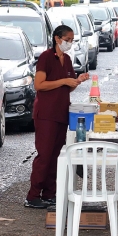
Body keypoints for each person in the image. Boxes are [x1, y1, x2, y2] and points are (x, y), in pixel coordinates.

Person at [25, 25, 90, 209]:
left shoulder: (68, 59)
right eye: (67, 39)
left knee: (55, 155)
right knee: (44, 155)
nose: (69, 43)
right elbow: (39, 85)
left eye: (72, 40)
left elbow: (68, 87)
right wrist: (63, 81)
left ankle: (49, 193)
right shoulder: (46, 57)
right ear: (57, 38)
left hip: (62, 112)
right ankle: (32, 195)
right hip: (46, 113)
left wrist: (77, 81)